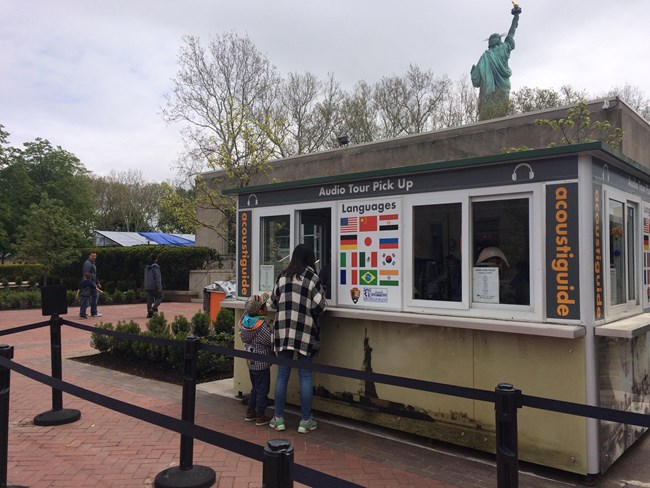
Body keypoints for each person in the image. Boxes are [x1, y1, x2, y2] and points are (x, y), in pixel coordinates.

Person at [269, 244, 327, 434]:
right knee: (305, 375)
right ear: (310, 258)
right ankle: (305, 421)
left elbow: (273, 302)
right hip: (305, 333)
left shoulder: (283, 277)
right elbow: (320, 307)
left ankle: (278, 419)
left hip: (284, 332)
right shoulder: (312, 278)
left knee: (282, 375)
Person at [470, 5, 521, 120]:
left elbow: (511, 33)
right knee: (491, 114)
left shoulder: (502, 49)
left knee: (498, 113)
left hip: (500, 86)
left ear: (498, 41)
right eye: (492, 38)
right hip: (492, 89)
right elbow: (477, 79)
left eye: (495, 38)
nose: (493, 40)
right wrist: (474, 71)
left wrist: (516, 18)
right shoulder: (486, 55)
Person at [239, 292, 273, 426]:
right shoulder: (261, 326)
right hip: (262, 363)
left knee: (255, 387)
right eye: (265, 306)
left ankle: (250, 412)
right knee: (263, 389)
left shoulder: (244, 321)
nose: (267, 308)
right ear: (260, 310)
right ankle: (260, 415)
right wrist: (272, 328)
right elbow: (269, 341)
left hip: (250, 361)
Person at [82, 252, 102, 317]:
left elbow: (94, 274)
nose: (94, 257)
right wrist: (90, 283)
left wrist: (97, 282)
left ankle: (88, 312)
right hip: (89, 283)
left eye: (95, 256)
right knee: (90, 297)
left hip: (92, 282)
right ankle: (92, 312)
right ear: (89, 256)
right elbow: (86, 274)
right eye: (92, 256)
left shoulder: (92, 263)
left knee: (93, 296)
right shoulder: (87, 264)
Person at [144, 254, 163, 318]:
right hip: (154, 286)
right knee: (160, 297)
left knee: (149, 299)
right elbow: (157, 277)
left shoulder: (147, 267)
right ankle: (153, 309)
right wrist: (159, 287)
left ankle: (149, 312)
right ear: (156, 259)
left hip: (148, 286)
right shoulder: (155, 267)